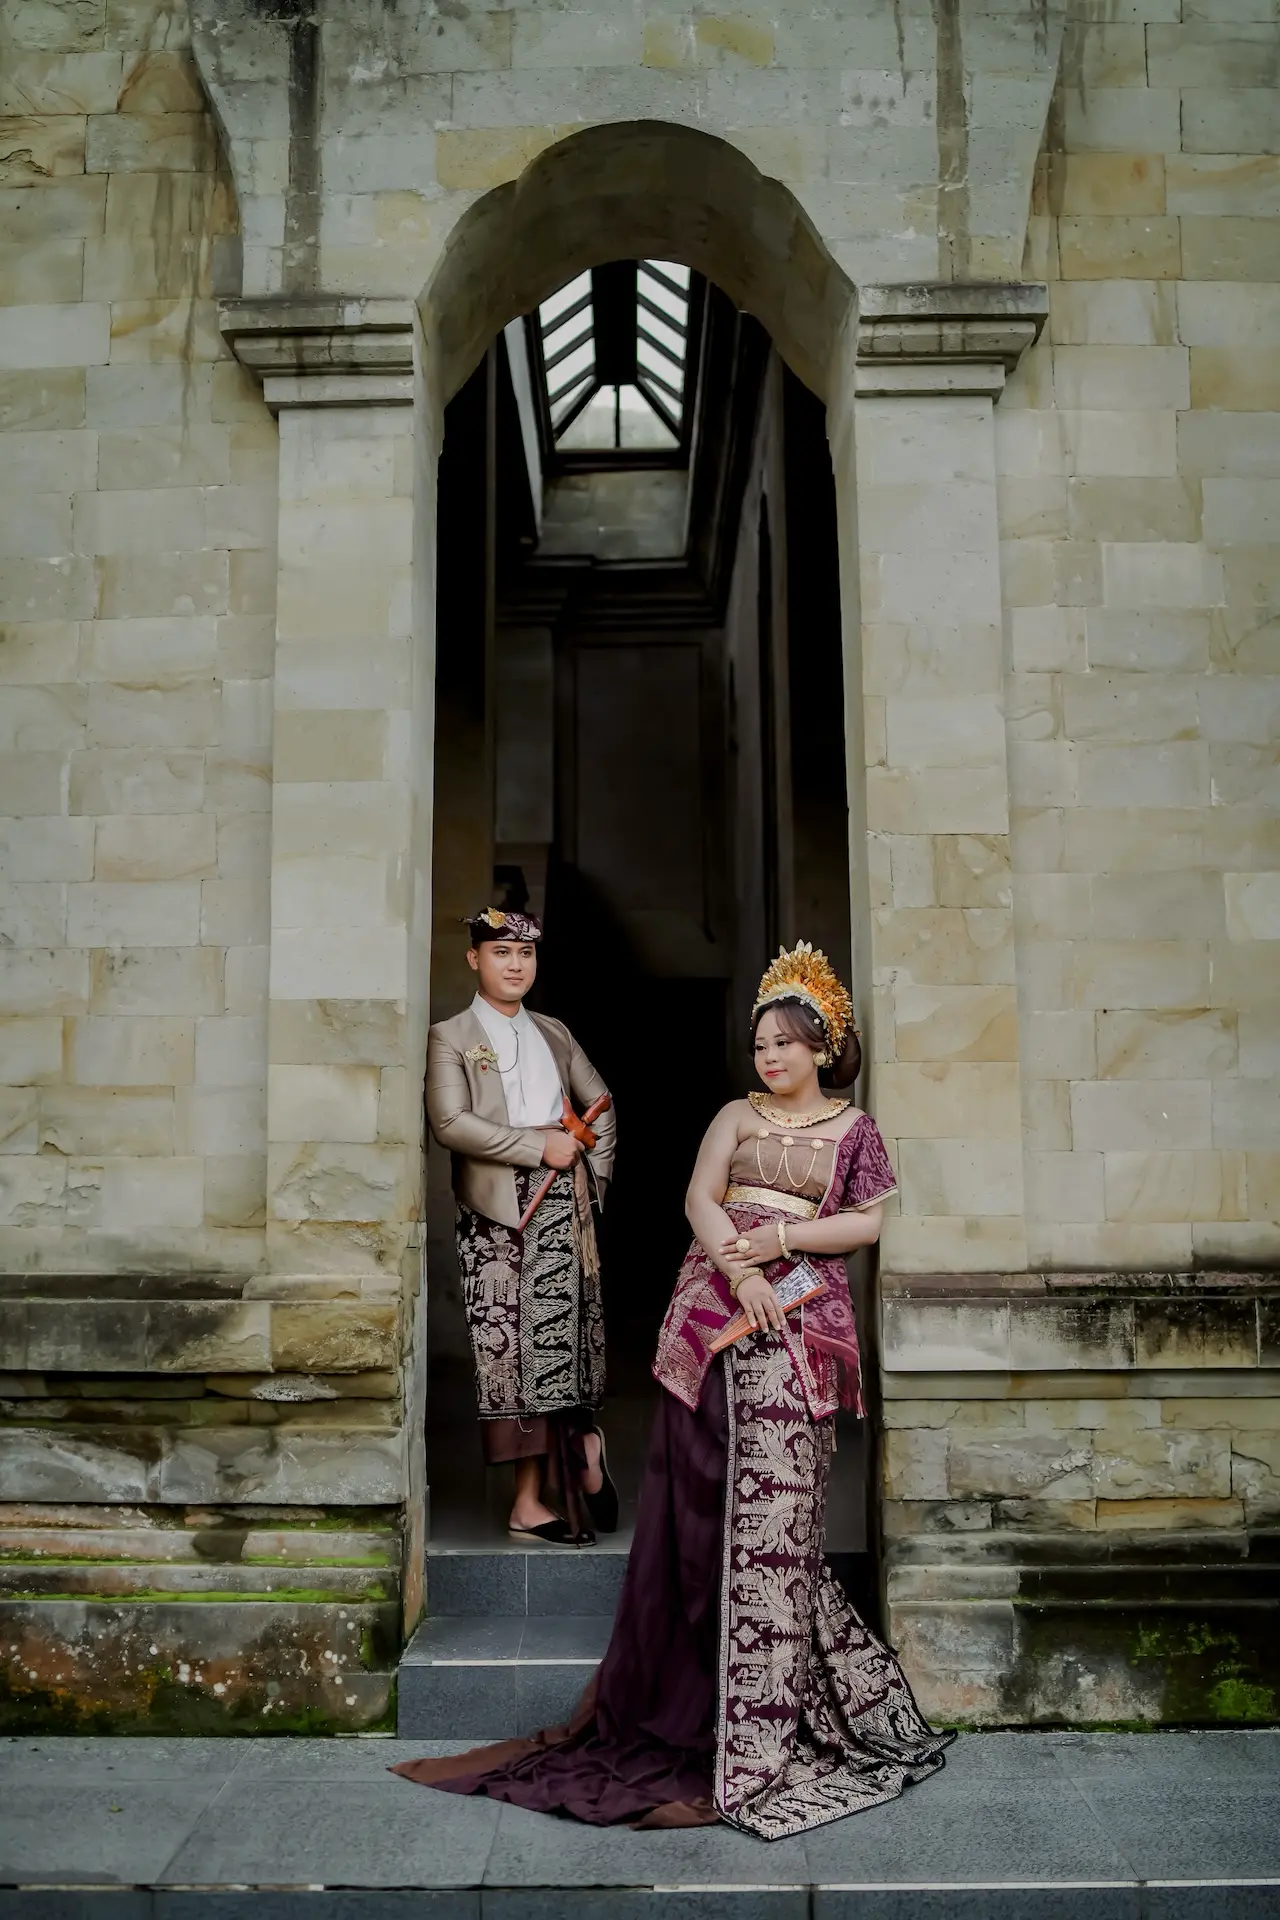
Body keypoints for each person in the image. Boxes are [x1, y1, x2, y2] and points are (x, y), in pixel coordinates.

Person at [397, 942, 952, 1837]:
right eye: (759, 1045)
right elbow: (699, 1201)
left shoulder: (856, 1131)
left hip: (804, 1321)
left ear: (821, 1047)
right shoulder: (735, 1115)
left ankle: (770, 1707)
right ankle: (697, 1695)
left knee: (781, 1517)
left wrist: (780, 1245)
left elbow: (867, 1223)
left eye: (784, 1044)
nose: (768, 1058)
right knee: (701, 1504)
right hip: (714, 1313)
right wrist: (743, 1274)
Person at [425, 907, 618, 1547]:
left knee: (566, 1343)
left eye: (526, 953)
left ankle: (582, 1451)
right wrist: (539, 1148)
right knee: (510, 1352)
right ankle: (528, 1503)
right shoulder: (451, 1036)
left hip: (566, 1206)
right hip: (497, 1215)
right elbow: (450, 1123)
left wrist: (591, 1175)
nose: (515, 964)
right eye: (501, 952)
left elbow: (601, 1106)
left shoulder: (554, 1032)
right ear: (474, 958)